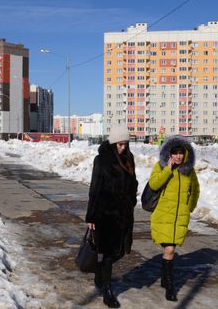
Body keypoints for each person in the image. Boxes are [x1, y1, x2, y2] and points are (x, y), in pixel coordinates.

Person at [85, 125, 138, 308]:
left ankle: (99, 270)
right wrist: (91, 216)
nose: (123, 147)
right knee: (108, 253)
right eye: (120, 144)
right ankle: (107, 292)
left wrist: (131, 200)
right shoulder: (101, 160)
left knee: (121, 251)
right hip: (105, 214)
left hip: (124, 214)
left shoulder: (129, 158)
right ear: (113, 142)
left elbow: (134, 182)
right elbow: (95, 189)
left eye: (125, 144)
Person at [148, 135, 200, 302]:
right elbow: (153, 184)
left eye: (181, 153)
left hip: (179, 217)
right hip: (163, 215)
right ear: (168, 154)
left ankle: (165, 279)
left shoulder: (188, 171)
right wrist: (167, 170)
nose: (178, 156)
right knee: (169, 250)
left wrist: (188, 207)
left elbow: (195, 190)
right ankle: (170, 287)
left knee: (170, 250)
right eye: (175, 152)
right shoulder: (160, 166)